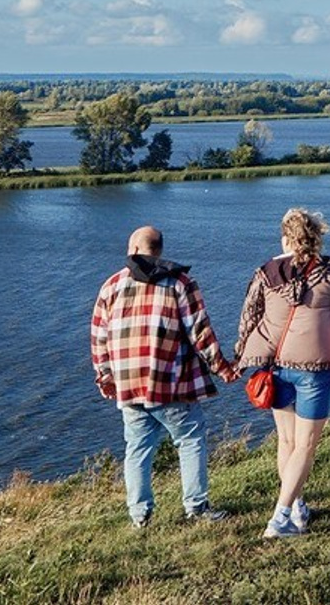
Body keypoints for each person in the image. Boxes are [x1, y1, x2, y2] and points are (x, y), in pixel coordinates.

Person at [90, 225, 239, 528]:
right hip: (170, 383)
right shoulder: (180, 283)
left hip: (128, 385)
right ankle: (196, 507)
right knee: (190, 439)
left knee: (138, 447)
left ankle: (140, 515)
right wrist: (223, 368)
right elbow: (200, 332)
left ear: (133, 249)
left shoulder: (111, 286)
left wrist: (105, 376)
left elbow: (99, 338)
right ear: (159, 251)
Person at [236, 207, 330, 539]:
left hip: (276, 367)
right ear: (316, 238)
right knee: (305, 446)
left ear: (285, 239)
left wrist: (239, 357)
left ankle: (297, 508)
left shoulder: (265, 274)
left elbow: (248, 318)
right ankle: (280, 518)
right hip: (315, 370)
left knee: (287, 441)